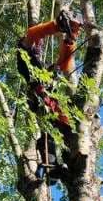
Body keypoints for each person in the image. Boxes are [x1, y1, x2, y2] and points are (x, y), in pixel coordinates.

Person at [16, 9, 83, 179]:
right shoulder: (28, 60)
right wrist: (56, 25)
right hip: (39, 97)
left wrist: (70, 40)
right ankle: (51, 165)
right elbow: (30, 37)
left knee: (62, 125)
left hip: (49, 103)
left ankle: (55, 165)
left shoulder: (49, 73)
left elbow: (64, 62)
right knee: (50, 128)